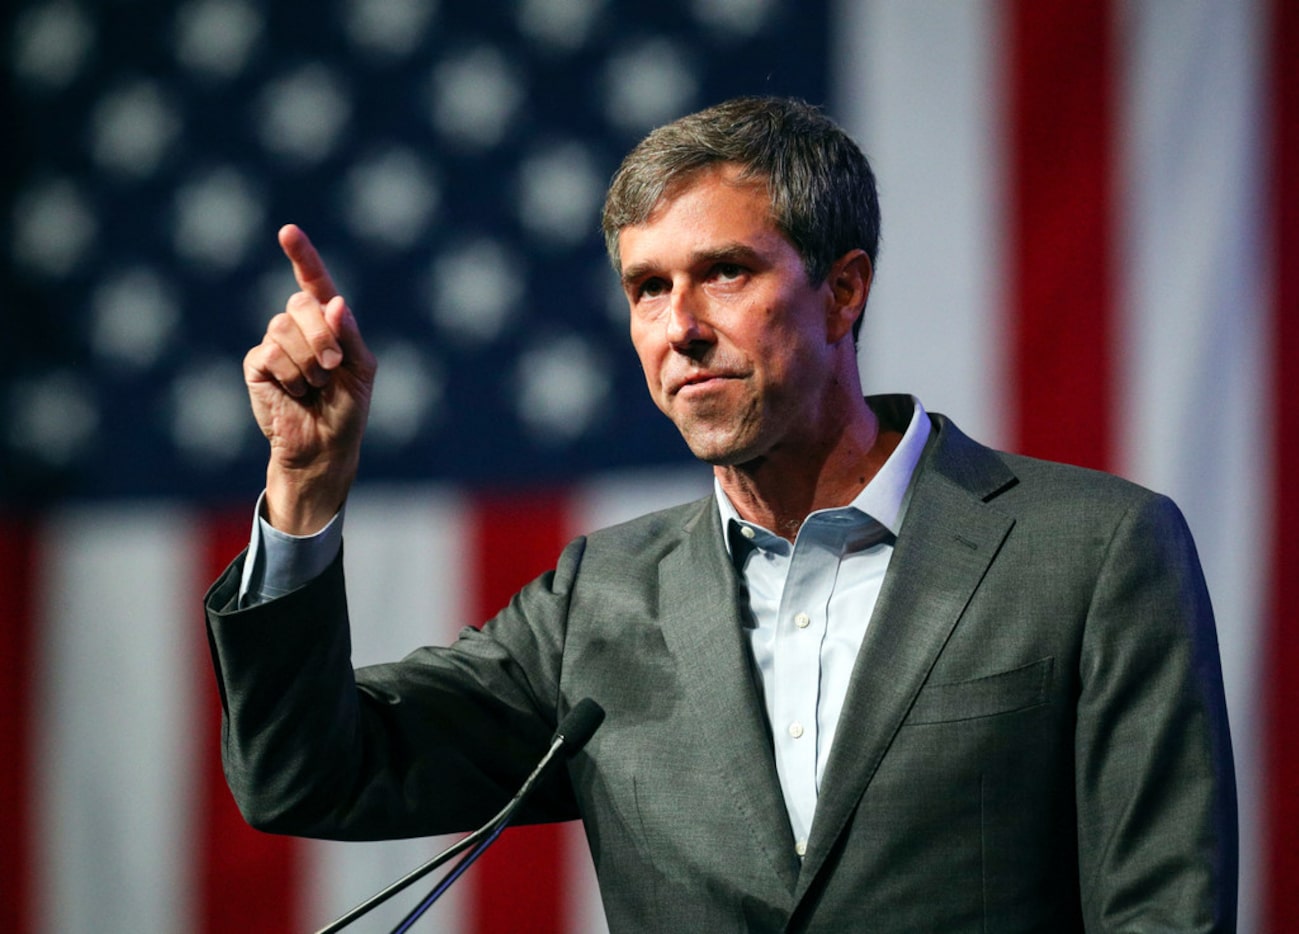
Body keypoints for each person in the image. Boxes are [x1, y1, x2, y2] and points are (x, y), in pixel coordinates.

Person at [206, 97, 1237, 931]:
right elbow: (310, 774)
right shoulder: (597, 602)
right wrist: (305, 486)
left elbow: (1164, 907)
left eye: (725, 273)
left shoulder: (1089, 552)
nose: (681, 328)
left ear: (844, 290)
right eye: (648, 290)